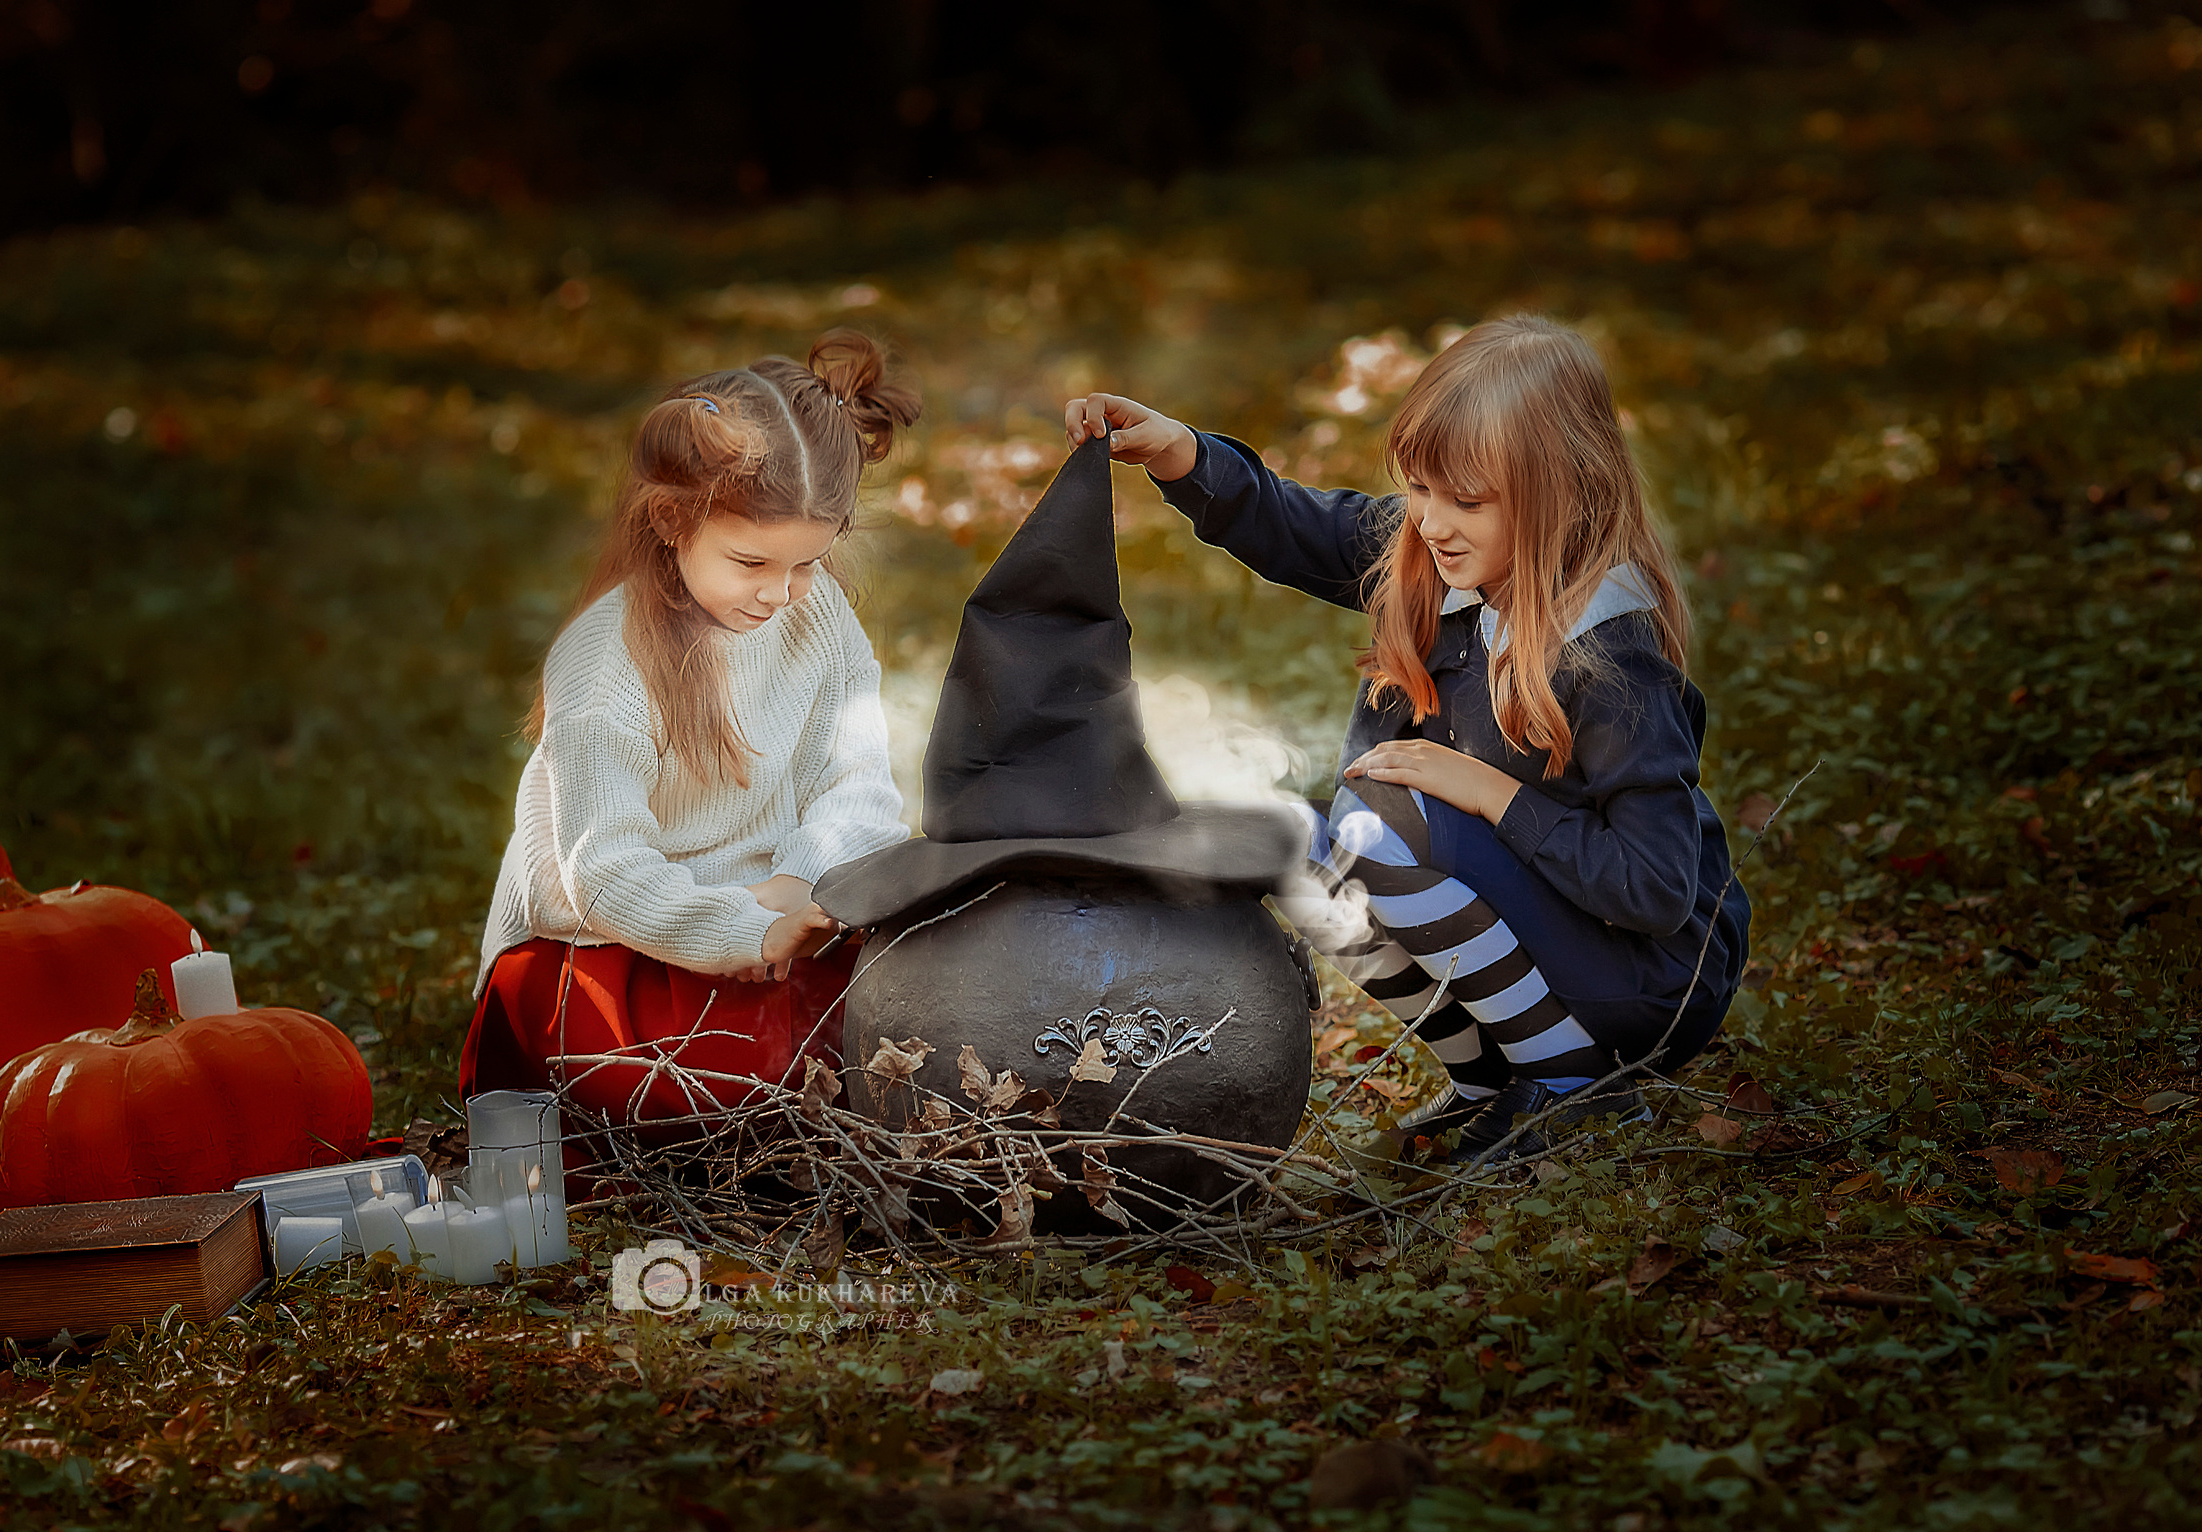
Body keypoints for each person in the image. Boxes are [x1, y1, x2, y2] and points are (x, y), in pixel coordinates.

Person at [1063, 314, 1750, 1161]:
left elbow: (1654, 889)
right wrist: (1182, 454)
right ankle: (1491, 1078)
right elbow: (1299, 524)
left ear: (1563, 496)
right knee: (1291, 841)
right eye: (1421, 488)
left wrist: (1489, 791)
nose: (1430, 522)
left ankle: (1574, 1082)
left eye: (1467, 501)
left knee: (1378, 822)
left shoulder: (1610, 659)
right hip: (1553, 937)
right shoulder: (1440, 558)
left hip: (1647, 976)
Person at [461, 329, 921, 1132]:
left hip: (779, 917)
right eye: (751, 563)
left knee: (923, 1015)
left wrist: (800, 882)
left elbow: (860, 787)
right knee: (736, 1092)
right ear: (674, 520)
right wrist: (751, 930)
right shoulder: (606, 664)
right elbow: (605, 875)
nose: (782, 593)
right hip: (615, 952)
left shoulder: (817, 616)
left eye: (807, 562)